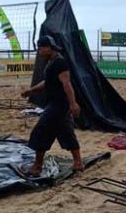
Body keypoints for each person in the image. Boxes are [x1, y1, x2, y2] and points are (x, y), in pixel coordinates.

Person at [20, 35, 83, 175]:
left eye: (41, 47)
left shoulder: (60, 62)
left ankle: (37, 167)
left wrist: (73, 104)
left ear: (49, 47)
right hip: (57, 104)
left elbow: (67, 83)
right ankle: (78, 162)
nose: (39, 50)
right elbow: (47, 82)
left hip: (58, 105)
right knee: (65, 131)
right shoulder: (51, 62)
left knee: (41, 131)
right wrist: (31, 90)